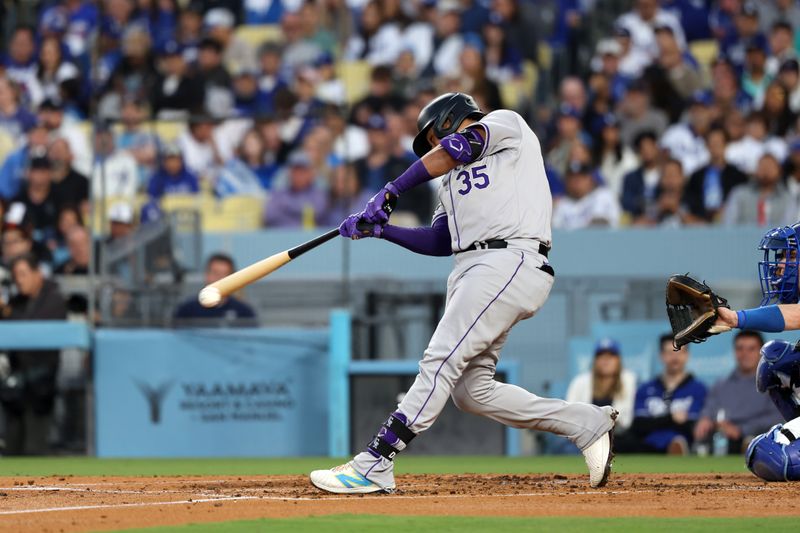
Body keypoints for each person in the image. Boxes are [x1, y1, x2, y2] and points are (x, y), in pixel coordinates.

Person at [309, 92, 618, 494]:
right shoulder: (451, 183)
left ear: (451, 118)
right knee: (472, 391)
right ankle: (584, 423)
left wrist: (392, 188)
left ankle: (373, 463)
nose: (434, 148)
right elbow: (440, 239)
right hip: (474, 269)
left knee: (440, 360)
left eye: (433, 138)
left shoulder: (506, 125)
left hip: (508, 259)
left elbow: (462, 144)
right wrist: (381, 230)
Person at [0, 254, 67, 455]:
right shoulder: (16, 302)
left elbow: (31, 332)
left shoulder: (54, 298)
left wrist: (6, 311)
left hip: (41, 386)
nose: (19, 280)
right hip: (15, 386)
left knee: (35, 448)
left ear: (38, 274)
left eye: (23, 273)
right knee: (11, 448)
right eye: (16, 275)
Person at [693, 331, 781, 454]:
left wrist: (742, 430)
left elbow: (776, 418)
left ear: (761, 353)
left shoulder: (773, 384)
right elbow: (709, 408)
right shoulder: (721, 384)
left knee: (755, 440)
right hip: (721, 437)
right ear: (734, 351)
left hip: (758, 438)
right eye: (740, 348)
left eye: (751, 349)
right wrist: (705, 418)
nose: (745, 354)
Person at [617, 335, 706, 454]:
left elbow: (695, 427)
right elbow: (638, 425)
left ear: (687, 355)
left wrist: (659, 422)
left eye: (680, 352)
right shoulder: (646, 389)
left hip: (686, 447)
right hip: (647, 448)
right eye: (670, 352)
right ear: (661, 356)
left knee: (680, 442)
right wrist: (671, 418)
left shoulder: (699, 389)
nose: (675, 357)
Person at [565, 338, 636, 434]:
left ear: (618, 360)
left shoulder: (628, 379)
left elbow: (626, 420)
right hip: (583, 434)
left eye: (611, 356)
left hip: (616, 435)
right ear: (595, 360)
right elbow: (569, 414)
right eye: (601, 356)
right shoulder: (580, 381)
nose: (606, 360)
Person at [173, 253, 256, 324]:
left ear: (232, 277)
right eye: (215, 273)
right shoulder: (187, 310)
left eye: (224, 274)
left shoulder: (244, 312)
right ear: (206, 274)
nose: (219, 278)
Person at [552, 162, 621, 230]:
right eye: (572, 177)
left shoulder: (603, 195)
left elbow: (602, 224)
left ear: (590, 179)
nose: (576, 180)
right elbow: (555, 231)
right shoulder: (561, 204)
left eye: (581, 176)